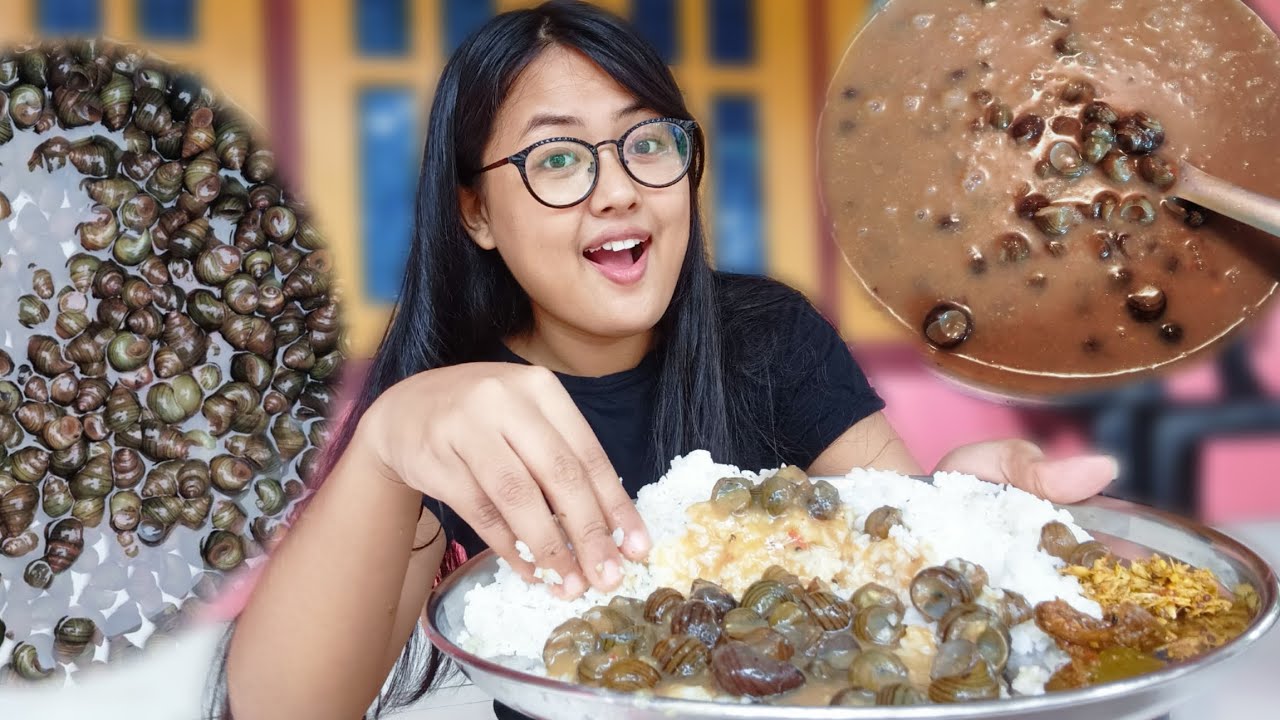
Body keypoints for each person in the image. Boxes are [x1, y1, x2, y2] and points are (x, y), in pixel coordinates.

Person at [220, 2, 1116, 718]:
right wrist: (384, 444)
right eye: (558, 158)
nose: (618, 190)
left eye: (647, 143)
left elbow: (899, 557)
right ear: (475, 212)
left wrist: (968, 521)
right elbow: (285, 710)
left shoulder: (768, 337)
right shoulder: (452, 414)